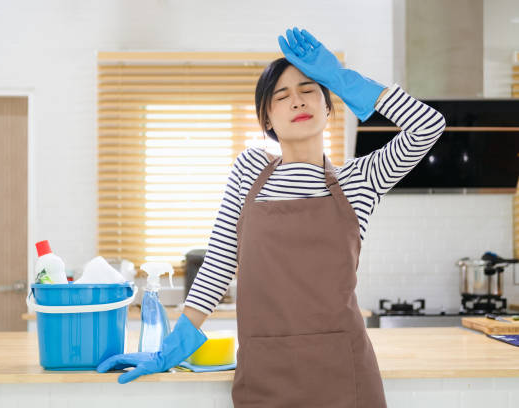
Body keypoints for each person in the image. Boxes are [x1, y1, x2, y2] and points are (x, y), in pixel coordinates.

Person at [97, 27, 446, 407]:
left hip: (344, 374)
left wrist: (343, 79)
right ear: (266, 118)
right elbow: (219, 261)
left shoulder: (358, 181)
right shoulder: (250, 169)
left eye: (310, 89)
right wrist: (173, 346)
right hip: (266, 372)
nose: (297, 101)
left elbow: (428, 126)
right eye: (282, 96)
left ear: (330, 106)